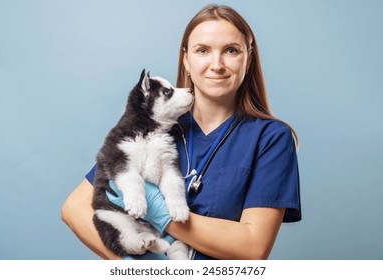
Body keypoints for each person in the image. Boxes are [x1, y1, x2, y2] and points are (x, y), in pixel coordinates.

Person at [61, 4, 301, 260]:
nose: (216, 64)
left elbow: (253, 248)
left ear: (248, 59)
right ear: (186, 59)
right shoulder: (155, 126)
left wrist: (160, 212)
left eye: (231, 51)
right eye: (203, 51)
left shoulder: (271, 138)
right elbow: (74, 208)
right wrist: (135, 266)